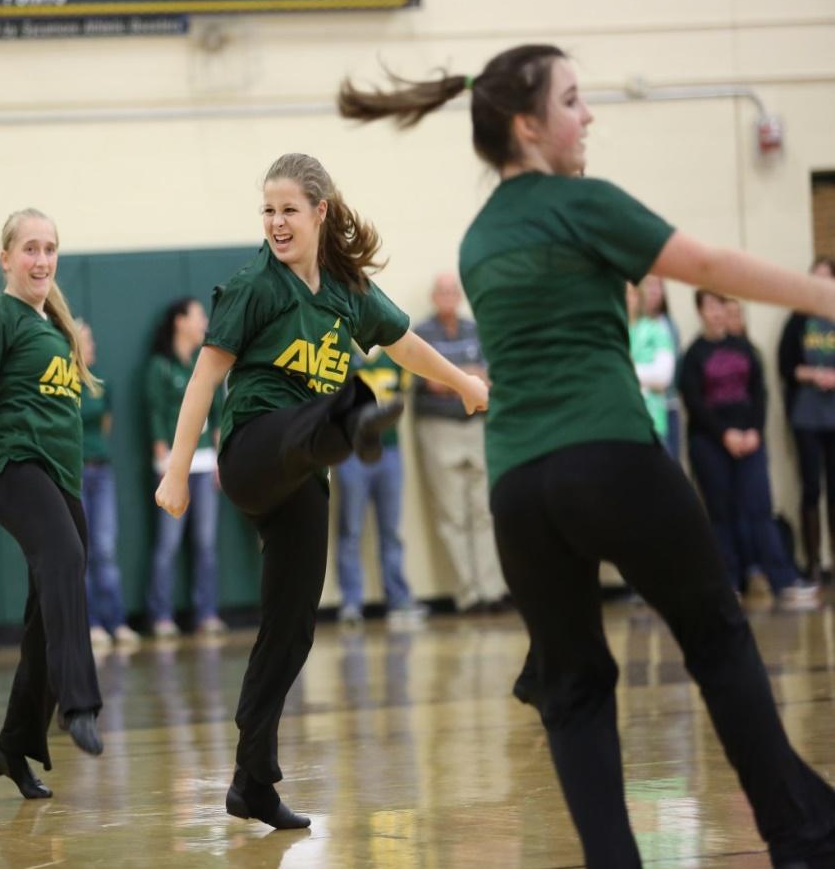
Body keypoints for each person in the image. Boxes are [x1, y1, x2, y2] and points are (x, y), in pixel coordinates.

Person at [339, 44, 835, 867]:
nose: (590, 115)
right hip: (609, 457)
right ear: (528, 127)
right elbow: (707, 267)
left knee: (572, 692)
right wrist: (824, 293)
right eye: (575, 100)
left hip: (520, 491)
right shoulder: (585, 204)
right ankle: (802, 838)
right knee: (716, 639)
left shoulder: (479, 239)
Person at [155, 152, 488, 830]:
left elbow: (404, 344)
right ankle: (353, 420)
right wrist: (175, 469)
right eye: (268, 211)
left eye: (288, 210)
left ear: (320, 212)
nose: (277, 223)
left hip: (305, 472)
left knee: (293, 628)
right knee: (321, 416)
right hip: (251, 453)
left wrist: (462, 382)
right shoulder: (255, 285)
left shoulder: (345, 290)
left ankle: (251, 781)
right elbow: (203, 379)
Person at [0, 208, 104, 801]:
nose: (41, 260)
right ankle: (79, 704)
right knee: (65, 562)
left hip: (63, 483)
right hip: (18, 472)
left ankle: (13, 746)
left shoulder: (56, 329)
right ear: (6, 258)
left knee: (48, 616)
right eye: (30, 249)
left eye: (50, 249)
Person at [680, 289, 816, 605]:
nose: (716, 313)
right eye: (709, 306)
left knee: (759, 509)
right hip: (710, 443)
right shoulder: (693, 354)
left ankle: (784, 579)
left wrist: (754, 430)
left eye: (720, 306)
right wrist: (724, 434)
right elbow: (694, 401)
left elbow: (759, 393)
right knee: (720, 514)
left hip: (750, 438)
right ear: (700, 311)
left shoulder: (743, 348)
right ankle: (728, 582)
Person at [412, 272, 506, 613]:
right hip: (439, 428)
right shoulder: (422, 333)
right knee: (452, 513)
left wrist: (456, 376)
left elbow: (488, 375)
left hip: (477, 426)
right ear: (434, 297)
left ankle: (491, 590)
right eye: (443, 292)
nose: (449, 297)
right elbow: (431, 381)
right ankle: (468, 595)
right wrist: (466, 377)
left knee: (483, 510)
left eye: (454, 291)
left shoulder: (473, 329)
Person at [146, 298, 224, 637]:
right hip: (174, 467)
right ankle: (161, 615)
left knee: (206, 542)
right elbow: (156, 416)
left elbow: (219, 413)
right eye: (198, 315)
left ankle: (206, 612)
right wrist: (166, 466)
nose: (204, 320)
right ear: (180, 322)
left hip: (207, 464)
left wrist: (221, 458)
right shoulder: (160, 367)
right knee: (168, 544)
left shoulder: (207, 362)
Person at [334, 345, 424, 628]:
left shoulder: (394, 352)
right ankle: (351, 602)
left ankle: (398, 598)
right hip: (351, 452)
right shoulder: (341, 352)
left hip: (391, 451)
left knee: (391, 530)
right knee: (350, 529)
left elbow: (402, 395)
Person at [76, 321, 140, 649]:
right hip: (74, 473)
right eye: (84, 341)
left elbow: (105, 424)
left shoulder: (101, 382)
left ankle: (116, 621)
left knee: (105, 547)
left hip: (101, 471)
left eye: (91, 340)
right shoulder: (63, 381)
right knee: (82, 550)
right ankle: (91, 623)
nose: (91, 347)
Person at [777, 256, 835, 582]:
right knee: (811, 487)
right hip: (807, 415)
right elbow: (786, 366)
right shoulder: (798, 320)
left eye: (827, 278)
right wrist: (813, 373)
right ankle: (813, 561)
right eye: (816, 278)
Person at [626, 280, 675, 444]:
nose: (627, 298)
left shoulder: (656, 330)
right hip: (619, 423)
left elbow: (663, 376)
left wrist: (626, 370)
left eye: (632, 293)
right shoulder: (611, 332)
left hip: (652, 421)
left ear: (640, 296)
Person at [641, 275, 684, 460]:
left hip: (667, 405)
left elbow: (666, 375)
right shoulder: (631, 325)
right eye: (648, 285)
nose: (653, 291)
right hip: (642, 408)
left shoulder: (668, 326)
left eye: (658, 286)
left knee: (670, 463)